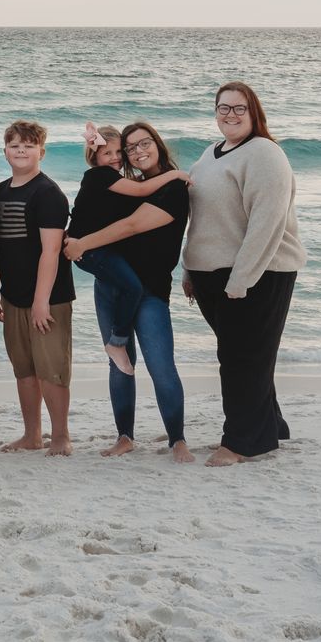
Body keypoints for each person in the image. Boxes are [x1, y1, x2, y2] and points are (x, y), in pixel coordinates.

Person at [183, 82, 307, 466]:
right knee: (247, 356)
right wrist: (188, 267)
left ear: (254, 112)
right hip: (211, 275)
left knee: (240, 359)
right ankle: (270, 425)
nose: (230, 115)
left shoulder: (265, 154)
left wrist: (242, 279)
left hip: (257, 274)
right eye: (223, 108)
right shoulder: (210, 154)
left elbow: (266, 223)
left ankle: (241, 442)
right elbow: (200, 218)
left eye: (239, 108)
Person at [62, 121, 194, 463]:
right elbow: (94, 213)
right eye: (130, 147)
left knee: (161, 365)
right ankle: (125, 436)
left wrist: (80, 244)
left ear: (158, 143)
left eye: (142, 144)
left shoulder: (173, 188)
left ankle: (177, 439)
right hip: (112, 286)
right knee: (120, 363)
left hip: (149, 289)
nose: (136, 152)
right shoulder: (127, 184)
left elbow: (131, 226)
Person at [66, 122, 188, 375]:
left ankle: (118, 344)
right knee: (133, 287)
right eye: (107, 153)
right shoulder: (100, 175)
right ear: (95, 156)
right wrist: (175, 175)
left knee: (129, 286)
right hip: (89, 250)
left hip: (93, 249)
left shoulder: (113, 182)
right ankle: (117, 342)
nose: (114, 158)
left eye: (119, 152)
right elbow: (143, 190)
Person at [0, 119, 76, 456]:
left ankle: (60, 437)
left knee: (51, 369)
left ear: (41, 151)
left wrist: (41, 301)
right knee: (24, 368)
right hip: (13, 297)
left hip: (49, 299)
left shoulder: (48, 193)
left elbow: (51, 251)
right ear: (5, 151)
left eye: (29, 145)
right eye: (15, 145)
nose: (21, 150)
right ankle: (32, 434)